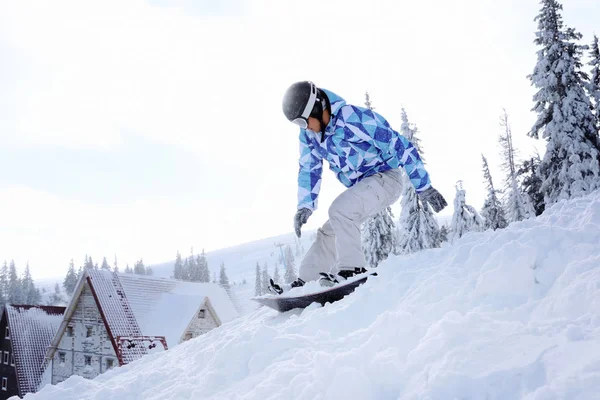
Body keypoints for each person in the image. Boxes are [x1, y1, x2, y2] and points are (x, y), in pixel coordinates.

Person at [269, 81, 447, 294]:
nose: (305, 128)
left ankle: (352, 270)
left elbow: (399, 144)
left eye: (303, 122)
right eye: (298, 125)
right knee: (329, 230)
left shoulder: (353, 119)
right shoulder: (310, 136)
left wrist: (423, 186)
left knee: (341, 211)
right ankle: (307, 281)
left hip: (386, 177)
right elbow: (309, 168)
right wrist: (305, 206)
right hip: (364, 185)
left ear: (317, 108)